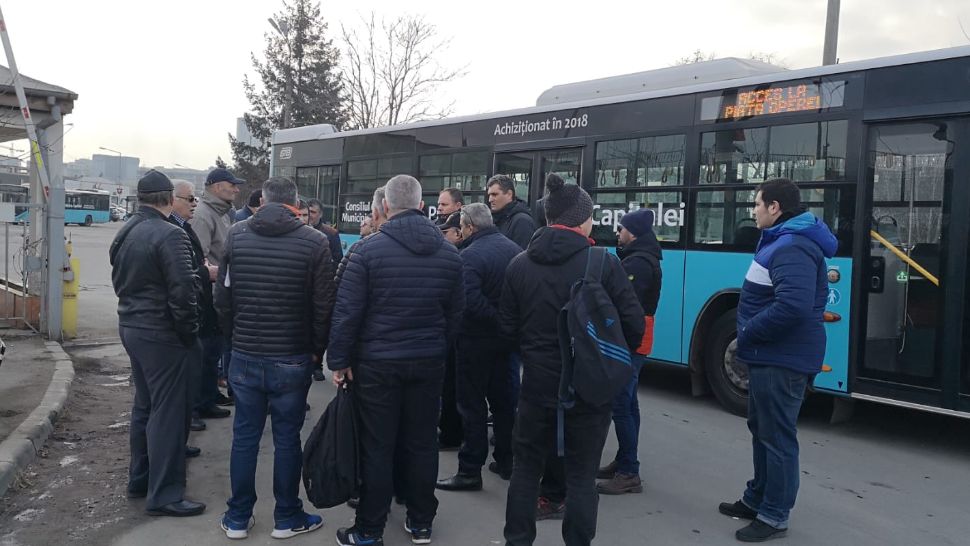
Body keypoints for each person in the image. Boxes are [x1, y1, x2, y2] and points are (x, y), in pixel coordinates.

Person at [500, 175, 644, 546]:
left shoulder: (518, 264)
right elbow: (633, 326)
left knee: (526, 471)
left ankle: (518, 540)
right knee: (581, 476)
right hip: (589, 391)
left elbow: (507, 330)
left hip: (535, 389)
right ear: (581, 220)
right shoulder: (603, 263)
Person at [329, 175, 464, 546]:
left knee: (377, 445)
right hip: (428, 362)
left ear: (384, 207)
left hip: (376, 365)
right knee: (421, 442)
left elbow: (347, 314)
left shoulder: (365, 252)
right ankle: (421, 522)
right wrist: (436, 346)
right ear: (424, 207)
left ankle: (369, 529)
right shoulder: (450, 254)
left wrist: (339, 361)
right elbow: (456, 316)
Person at [214, 176, 334, 540]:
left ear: (263, 200)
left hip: (246, 353)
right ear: (295, 202)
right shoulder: (315, 242)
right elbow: (323, 305)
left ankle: (237, 517)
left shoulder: (236, 234)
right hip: (292, 356)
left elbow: (223, 298)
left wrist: (234, 339)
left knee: (245, 437)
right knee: (287, 438)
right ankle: (287, 516)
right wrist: (315, 350)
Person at [719, 178, 837, 542]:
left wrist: (749, 332)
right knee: (763, 429)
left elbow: (794, 306)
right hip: (771, 354)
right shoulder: (781, 240)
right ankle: (757, 499)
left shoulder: (791, 246)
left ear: (774, 207)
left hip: (781, 358)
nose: (752, 210)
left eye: (757, 204)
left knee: (777, 437)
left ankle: (773, 516)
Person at [109, 169, 205, 517]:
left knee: (145, 407)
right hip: (162, 334)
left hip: (133, 327)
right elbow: (183, 291)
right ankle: (165, 493)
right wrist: (188, 332)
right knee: (168, 413)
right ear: (167, 198)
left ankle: (140, 479)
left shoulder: (126, 230)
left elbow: (120, 279)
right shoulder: (169, 235)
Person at [436, 203, 521, 492]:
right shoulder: (514, 250)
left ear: (470, 227)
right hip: (507, 343)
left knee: (471, 406)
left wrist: (496, 322)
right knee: (504, 404)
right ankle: (506, 461)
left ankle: (470, 470)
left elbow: (469, 301)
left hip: (474, 342)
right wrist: (507, 326)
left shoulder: (469, 256)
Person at [596, 208, 663, 495]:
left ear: (632, 233)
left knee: (621, 405)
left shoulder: (637, 264)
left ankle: (628, 472)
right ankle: (625, 460)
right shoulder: (642, 258)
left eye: (621, 229)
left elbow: (626, 306)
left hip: (631, 340)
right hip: (639, 338)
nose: (617, 233)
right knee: (629, 403)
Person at [168, 180, 217, 441]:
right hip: (180, 321)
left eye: (195, 199)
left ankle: (192, 417)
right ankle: (186, 424)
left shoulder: (182, 225)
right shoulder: (172, 229)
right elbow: (179, 276)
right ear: (173, 199)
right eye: (190, 199)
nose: (194, 203)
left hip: (193, 309)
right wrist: (204, 271)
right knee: (180, 384)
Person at [191, 167, 244, 408]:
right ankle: (202, 402)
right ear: (215, 186)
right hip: (208, 294)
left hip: (220, 291)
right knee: (207, 351)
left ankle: (210, 397)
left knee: (214, 350)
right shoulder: (204, 215)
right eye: (231, 184)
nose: (236, 189)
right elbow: (197, 257)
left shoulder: (223, 213)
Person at [437, 209, 465, 450]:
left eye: (445, 232)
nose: (442, 236)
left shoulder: (458, 259)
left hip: (457, 341)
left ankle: (451, 435)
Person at [487, 174, 536, 250]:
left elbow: (521, 256)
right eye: (489, 195)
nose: (490, 199)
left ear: (509, 194)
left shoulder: (522, 221)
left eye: (494, 194)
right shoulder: (493, 220)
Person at [307, 197, 344, 266]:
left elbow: (338, 260)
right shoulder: (298, 230)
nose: (309, 215)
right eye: (308, 212)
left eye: (313, 212)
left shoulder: (332, 233)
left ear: (320, 214)